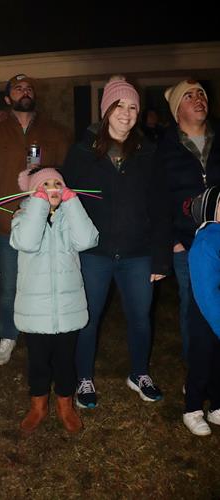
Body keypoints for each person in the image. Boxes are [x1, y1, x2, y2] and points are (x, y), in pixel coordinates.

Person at [63, 75, 172, 408]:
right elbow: (68, 201)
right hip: (95, 252)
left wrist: (160, 257)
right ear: (105, 109)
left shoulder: (148, 152)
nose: (126, 113)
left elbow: (160, 205)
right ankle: (83, 378)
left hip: (138, 253)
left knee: (140, 316)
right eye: (119, 105)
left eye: (133, 106)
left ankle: (139, 372)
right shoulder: (82, 152)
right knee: (89, 317)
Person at [0, 74, 72, 366]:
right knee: (9, 286)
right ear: (7, 99)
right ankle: (8, 335)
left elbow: (70, 172)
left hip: (47, 225)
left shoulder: (56, 132)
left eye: (29, 88)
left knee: (45, 284)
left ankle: (42, 333)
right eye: (18, 88)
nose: (25, 91)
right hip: (8, 225)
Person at [10, 166, 99, 433]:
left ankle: (65, 405)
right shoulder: (22, 216)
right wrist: (36, 204)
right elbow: (26, 241)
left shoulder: (70, 217)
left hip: (67, 308)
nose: (52, 188)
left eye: (57, 183)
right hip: (35, 309)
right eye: (44, 184)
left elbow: (87, 240)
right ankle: (38, 406)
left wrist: (73, 204)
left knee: (65, 361)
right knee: (37, 361)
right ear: (33, 192)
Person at [156, 80, 220, 361]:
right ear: (176, 110)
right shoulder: (164, 148)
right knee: (193, 307)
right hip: (188, 242)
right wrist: (173, 242)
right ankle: (196, 371)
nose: (199, 99)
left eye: (202, 94)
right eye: (189, 96)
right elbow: (157, 198)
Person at [182, 186, 220, 435]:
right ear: (210, 210)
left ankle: (217, 404)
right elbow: (206, 292)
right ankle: (192, 408)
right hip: (206, 315)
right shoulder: (207, 240)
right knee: (201, 360)